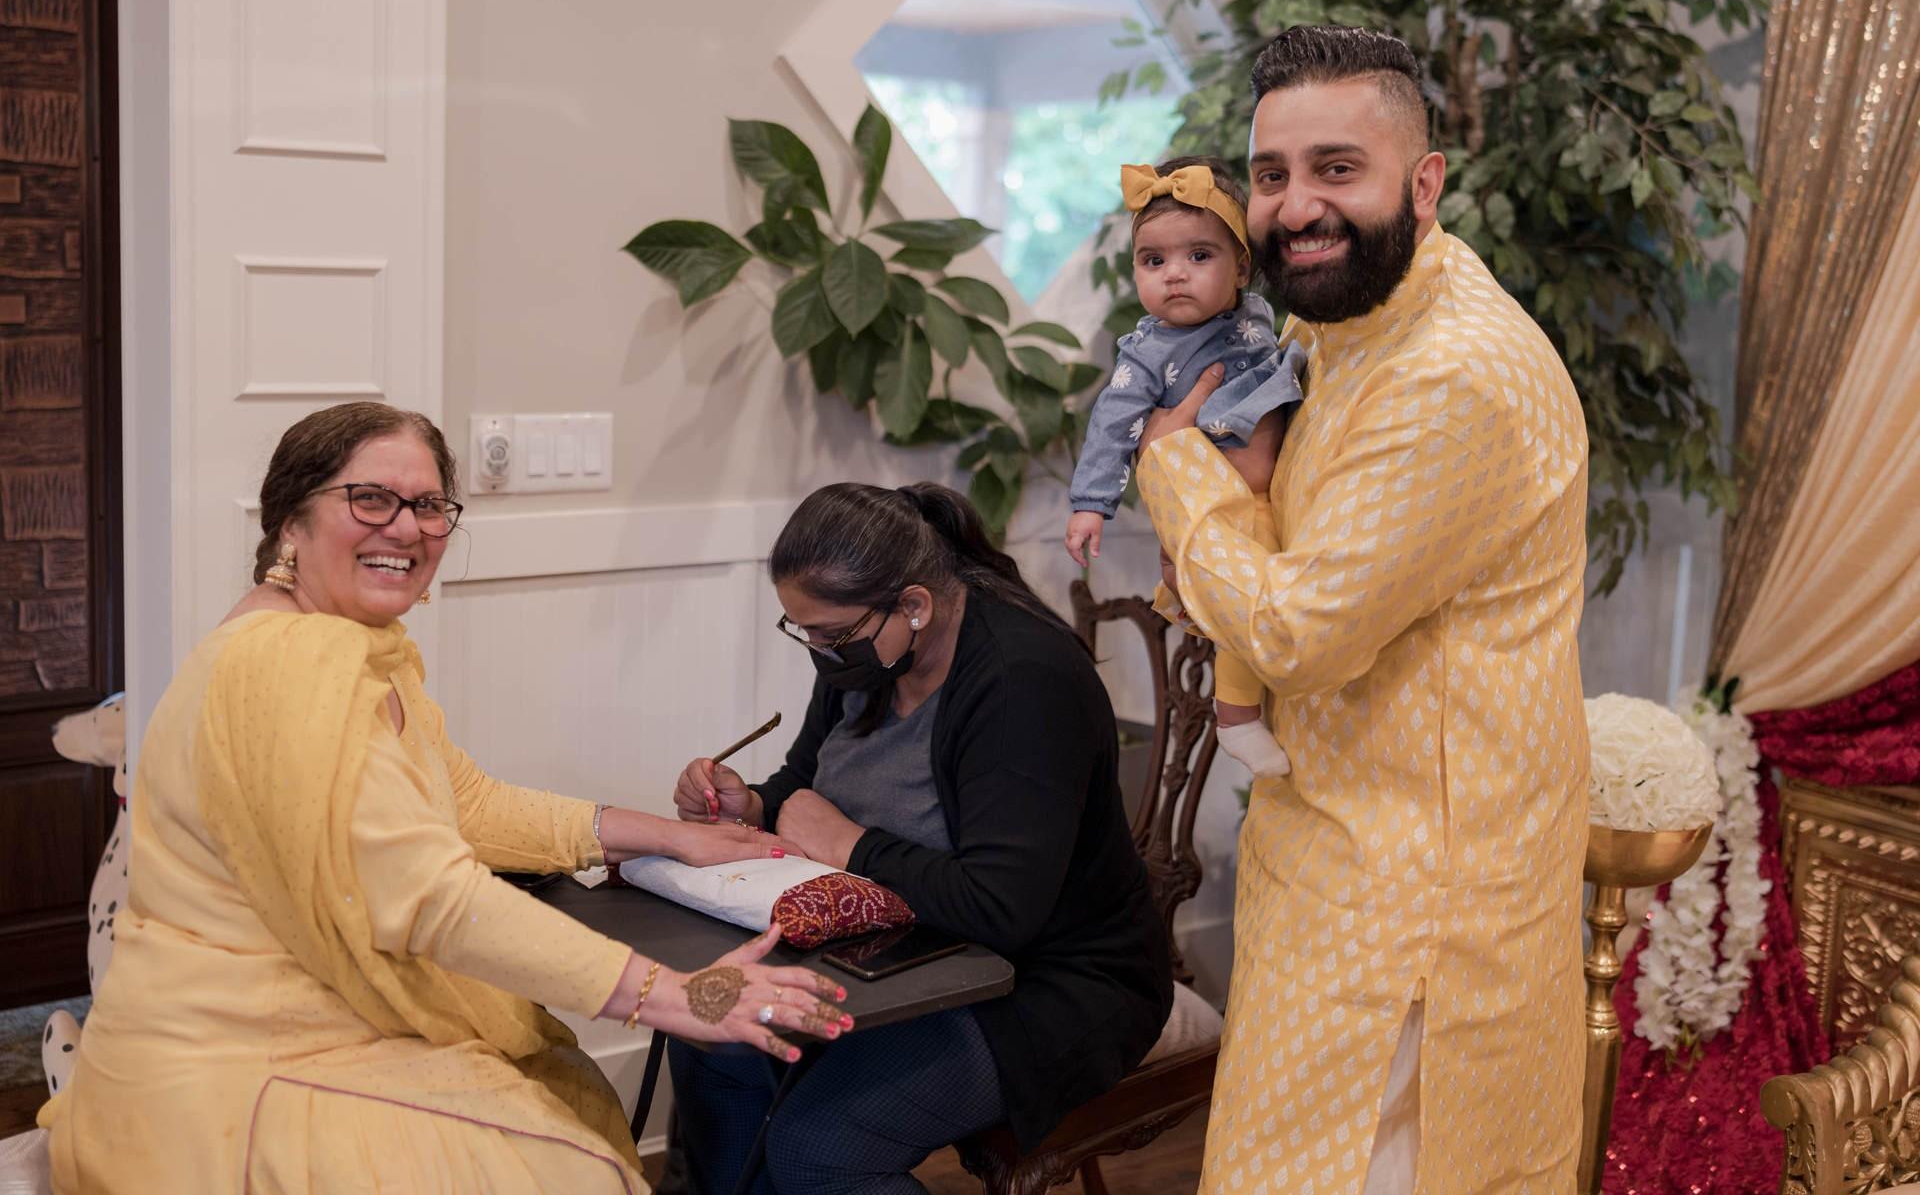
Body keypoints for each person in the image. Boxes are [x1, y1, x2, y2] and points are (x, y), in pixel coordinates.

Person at [36, 401, 852, 1194]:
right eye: (370, 498)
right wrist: (673, 994)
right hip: (244, 1063)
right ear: (290, 521)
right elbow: (426, 893)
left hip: (294, 1029)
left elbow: (461, 801)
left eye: (429, 505)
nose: (407, 527)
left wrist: (671, 838)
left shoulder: (344, 648)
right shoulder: (289, 665)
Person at [1135, 26, 1590, 1191]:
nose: (1296, 208)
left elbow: (1298, 629)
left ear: (1423, 183)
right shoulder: (1335, 323)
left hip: (1412, 911)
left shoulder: (1453, 372)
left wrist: (1175, 472)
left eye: (1339, 169)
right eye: (1274, 174)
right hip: (1329, 858)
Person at [670, 482, 1174, 1195]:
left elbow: (1003, 907)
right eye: (804, 632)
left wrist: (851, 844)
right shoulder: (870, 655)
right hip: (903, 955)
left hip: (1051, 984)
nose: (818, 651)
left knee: (818, 1148)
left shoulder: (1021, 683)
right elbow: (806, 786)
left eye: (830, 634)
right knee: (710, 1037)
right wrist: (749, 802)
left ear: (915, 605)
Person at [1065, 155, 1306, 780]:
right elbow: (1112, 425)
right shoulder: (1145, 354)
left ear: (1242, 268)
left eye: (1199, 256)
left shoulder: (1257, 319)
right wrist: (1091, 505)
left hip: (1266, 496)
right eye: (1155, 261)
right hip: (1217, 511)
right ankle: (1236, 718)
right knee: (1252, 611)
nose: (1175, 275)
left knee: (1263, 606)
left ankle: (1245, 711)